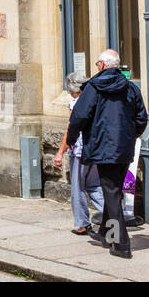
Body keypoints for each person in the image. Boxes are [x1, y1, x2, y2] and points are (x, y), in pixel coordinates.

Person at [56, 49, 147, 259]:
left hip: (102, 147)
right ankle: (106, 234)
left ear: (104, 65)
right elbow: (142, 117)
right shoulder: (131, 88)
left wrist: (70, 140)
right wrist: (130, 136)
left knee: (112, 193)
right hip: (124, 148)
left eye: (98, 63)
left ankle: (120, 243)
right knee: (112, 189)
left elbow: (79, 117)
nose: (97, 66)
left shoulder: (94, 88)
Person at [57, 72, 104, 236]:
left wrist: (60, 152)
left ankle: (82, 223)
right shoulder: (95, 101)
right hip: (94, 149)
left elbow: (70, 129)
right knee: (94, 184)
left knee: (77, 187)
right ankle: (112, 214)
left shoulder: (75, 103)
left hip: (78, 151)